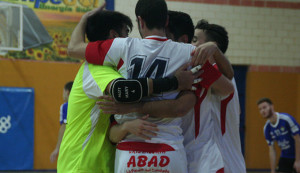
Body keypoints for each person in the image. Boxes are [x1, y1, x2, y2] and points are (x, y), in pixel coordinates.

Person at [75, 0, 233, 171]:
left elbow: (73, 48)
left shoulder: (122, 46)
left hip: (129, 150)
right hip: (169, 148)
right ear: (165, 21)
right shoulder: (189, 52)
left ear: (140, 21)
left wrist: (84, 19)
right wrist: (214, 53)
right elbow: (227, 87)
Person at [58, 7, 200, 173]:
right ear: (113, 37)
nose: (130, 39)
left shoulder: (115, 70)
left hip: (102, 161)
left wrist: (126, 127)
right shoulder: (96, 69)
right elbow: (123, 90)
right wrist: (173, 82)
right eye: (126, 32)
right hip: (81, 164)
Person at [191, 19, 247, 173]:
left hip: (223, 162)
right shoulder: (225, 77)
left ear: (211, 47)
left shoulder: (215, 74)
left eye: (195, 40)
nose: (190, 44)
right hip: (229, 162)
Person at [257, 97, 300, 173]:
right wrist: (272, 171)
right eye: (260, 109)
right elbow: (272, 149)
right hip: (285, 156)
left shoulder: (286, 119)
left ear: (272, 106)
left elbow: (297, 139)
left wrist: (298, 161)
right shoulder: (266, 128)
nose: (262, 111)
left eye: (264, 107)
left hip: (298, 154)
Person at [50, 81, 73, 163]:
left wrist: (57, 148)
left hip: (70, 146)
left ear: (67, 92)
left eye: (63, 92)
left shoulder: (66, 106)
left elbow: (64, 127)